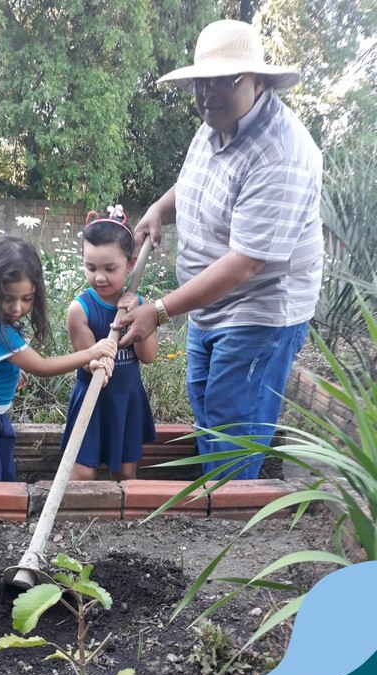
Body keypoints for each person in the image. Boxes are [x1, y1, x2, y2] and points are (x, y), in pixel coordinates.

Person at [113, 19, 325, 480]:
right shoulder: (213, 125)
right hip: (209, 304)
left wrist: (160, 311)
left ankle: (225, 505)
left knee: (233, 424)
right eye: (201, 83)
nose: (208, 93)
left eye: (225, 80)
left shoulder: (282, 152)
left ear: (259, 82)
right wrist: (158, 209)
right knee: (207, 405)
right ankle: (212, 496)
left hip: (257, 311)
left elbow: (245, 264)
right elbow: (193, 184)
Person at [0, 235, 117, 482]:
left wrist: (14, 370)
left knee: (2, 476)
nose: (17, 308)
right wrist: (90, 353)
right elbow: (41, 367)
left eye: (26, 299)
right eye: (8, 298)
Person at [60, 205, 158, 481]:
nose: (99, 277)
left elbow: (148, 356)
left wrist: (138, 313)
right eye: (90, 267)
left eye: (110, 268)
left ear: (130, 264)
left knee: (125, 474)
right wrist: (98, 359)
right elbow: (90, 363)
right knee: (81, 474)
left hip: (126, 400)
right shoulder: (80, 310)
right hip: (93, 400)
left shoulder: (140, 308)